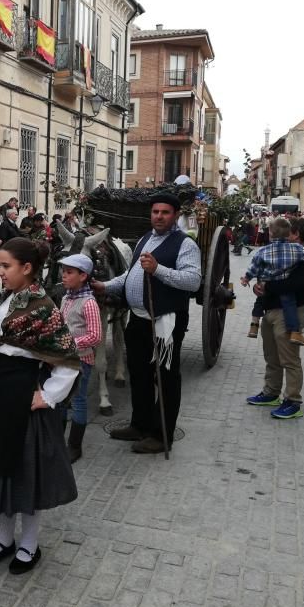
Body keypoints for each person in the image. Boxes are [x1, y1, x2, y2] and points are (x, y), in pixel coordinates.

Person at [0, 237, 79, 575]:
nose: (0, 271)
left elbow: (67, 359)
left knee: (23, 473)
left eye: (6, 266)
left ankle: (29, 544)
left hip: (23, 401)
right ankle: (3, 537)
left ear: (27, 268)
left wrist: (49, 395)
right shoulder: (6, 298)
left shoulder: (43, 307)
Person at [94, 194, 201, 454]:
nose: (159, 216)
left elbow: (193, 281)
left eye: (165, 212)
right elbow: (130, 276)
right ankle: (139, 425)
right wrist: (104, 285)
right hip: (139, 320)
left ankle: (161, 435)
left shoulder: (184, 244)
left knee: (165, 378)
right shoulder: (145, 239)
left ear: (175, 215)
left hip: (165, 321)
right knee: (138, 374)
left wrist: (158, 270)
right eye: (155, 212)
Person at [246, 218, 304, 419]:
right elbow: (262, 275)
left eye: (289, 234)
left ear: (296, 235)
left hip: (289, 313)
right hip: (269, 309)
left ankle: (293, 401)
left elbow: (292, 285)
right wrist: (257, 286)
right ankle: (271, 392)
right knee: (271, 356)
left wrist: (266, 286)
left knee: (290, 360)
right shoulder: (278, 255)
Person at [241, 217, 304, 346]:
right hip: (280, 292)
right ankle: (295, 332)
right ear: (288, 233)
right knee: (289, 304)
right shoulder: (296, 249)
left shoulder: (262, 251)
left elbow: (254, 267)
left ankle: (254, 325)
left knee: (259, 301)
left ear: (270, 234)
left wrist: (247, 278)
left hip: (271, 290)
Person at [57, 253, 102, 463]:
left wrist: (71, 343)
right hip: (62, 359)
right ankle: (56, 441)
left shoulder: (89, 303)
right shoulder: (66, 298)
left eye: (69, 272)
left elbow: (95, 335)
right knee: (60, 399)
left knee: (78, 400)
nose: (64, 276)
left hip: (81, 360)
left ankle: (74, 446)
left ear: (83, 276)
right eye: (63, 272)